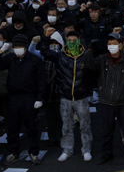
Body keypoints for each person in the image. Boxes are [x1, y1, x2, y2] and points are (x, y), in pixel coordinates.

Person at [84, 33, 124, 166]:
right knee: (106, 130)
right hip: (106, 101)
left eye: (115, 44)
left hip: (123, 102)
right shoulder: (102, 59)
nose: (112, 47)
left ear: (121, 45)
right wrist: (90, 50)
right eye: (109, 44)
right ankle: (106, 153)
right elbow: (88, 64)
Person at [37, 28, 94, 162]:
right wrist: (45, 37)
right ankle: (67, 150)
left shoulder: (85, 56)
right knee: (66, 126)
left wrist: (88, 91)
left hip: (81, 97)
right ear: (66, 42)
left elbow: (92, 74)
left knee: (85, 125)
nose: (72, 43)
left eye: (74, 41)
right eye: (70, 41)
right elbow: (44, 51)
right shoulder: (60, 56)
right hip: (65, 97)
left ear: (79, 41)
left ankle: (86, 150)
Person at [0, 34, 46, 166]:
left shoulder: (34, 60)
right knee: (13, 127)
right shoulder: (10, 58)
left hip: (29, 97)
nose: (17, 49)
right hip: (13, 97)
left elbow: (41, 81)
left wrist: (39, 98)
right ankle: (13, 152)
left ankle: (34, 152)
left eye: (19, 46)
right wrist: (1, 51)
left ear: (26, 47)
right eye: (15, 46)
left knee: (31, 127)